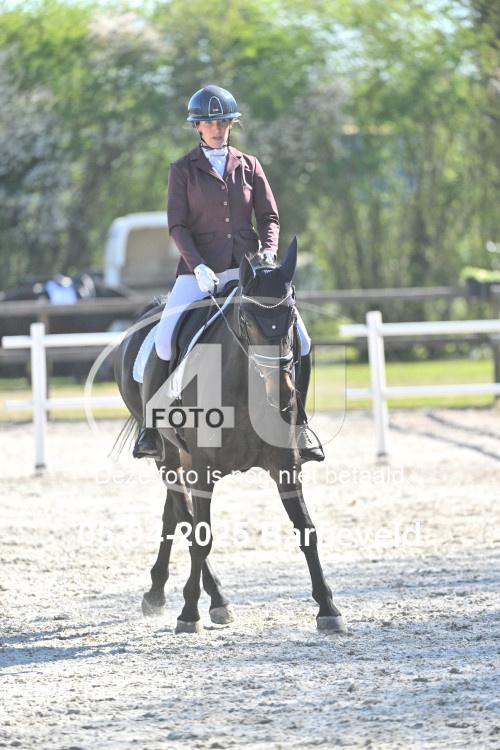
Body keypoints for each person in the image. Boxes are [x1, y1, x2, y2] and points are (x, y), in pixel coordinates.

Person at [133, 84, 323, 463]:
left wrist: (268, 250)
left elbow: (269, 216)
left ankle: (298, 425)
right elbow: (177, 226)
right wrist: (198, 265)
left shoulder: (249, 165)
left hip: (249, 272)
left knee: (301, 340)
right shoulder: (182, 170)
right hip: (199, 272)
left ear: (231, 125)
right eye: (210, 123)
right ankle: (151, 429)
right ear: (197, 127)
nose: (217, 129)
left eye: (223, 122)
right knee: (165, 341)